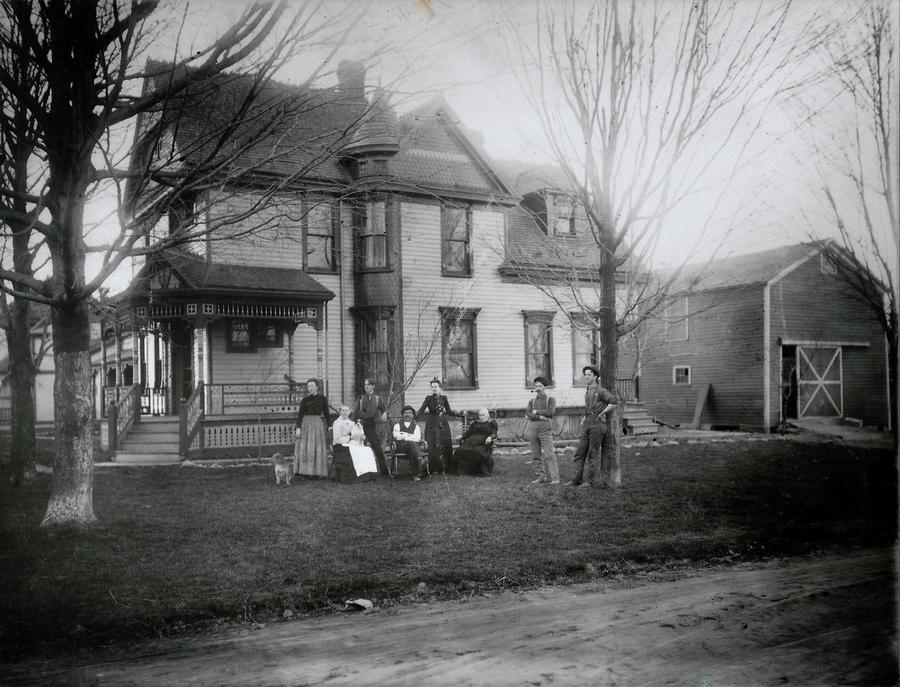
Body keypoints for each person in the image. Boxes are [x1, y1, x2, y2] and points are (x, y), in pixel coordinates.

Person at [566, 365, 618, 488]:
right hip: (588, 423)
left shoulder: (600, 390)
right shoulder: (588, 390)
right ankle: (575, 479)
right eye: (585, 374)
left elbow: (614, 401)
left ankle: (589, 481)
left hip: (598, 424)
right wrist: (585, 417)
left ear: (595, 376)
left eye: (589, 374)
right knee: (580, 452)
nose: (586, 376)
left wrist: (603, 413)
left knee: (592, 452)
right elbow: (589, 407)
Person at [416, 378, 458, 473]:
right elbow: (421, 410)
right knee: (432, 444)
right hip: (432, 423)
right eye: (432, 387)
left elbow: (449, 411)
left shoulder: (444, 398)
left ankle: (446, 468)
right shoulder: (428, 398)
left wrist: (459, 413)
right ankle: (434, 468)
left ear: (440, 388)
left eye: (436, 387)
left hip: (443, 423)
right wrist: (413, 418)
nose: (434, 389)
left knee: (445, 443)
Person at [294, 378, 331, 478]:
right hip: (305, 425)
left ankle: (317, 472)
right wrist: (298, 428)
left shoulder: (322, 398)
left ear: (317, 387)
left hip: (317, 424)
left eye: (311, 386)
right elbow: (300, 415)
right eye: (308, 386)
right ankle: (306, 472)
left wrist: (329, 426)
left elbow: (327, 414)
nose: (309, 388)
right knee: (306, 447)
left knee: (317, 447)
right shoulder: (305, 400)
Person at [526, 376, 559, 484]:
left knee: (549, 455)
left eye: (540, 386)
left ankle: (555, 478)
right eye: (536, 386)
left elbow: (550, 413)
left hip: (545, 431)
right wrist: (540, 416)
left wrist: (535, 412)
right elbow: (527, 413)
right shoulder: (532, 401)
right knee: (536, 455)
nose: (538, 388)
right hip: (533, 430)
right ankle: (541, 477)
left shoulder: (550, 400)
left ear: (545, 387)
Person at [352, 378, 389, 476]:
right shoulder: (360, 399)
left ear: (373, 386)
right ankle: (358, 472)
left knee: (377, 447)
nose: (366, 387)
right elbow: (354, 414)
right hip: (361, 425)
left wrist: (385, 413)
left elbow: (384, 409)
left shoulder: (377, 399)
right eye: (365, 385)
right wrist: (353, 426)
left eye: (368, 385)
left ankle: (384, 471)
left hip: (371, 425)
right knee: (359, 448)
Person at [453, 408, 498, 476]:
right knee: (460, 451)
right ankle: (462, 471)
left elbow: (494, 433)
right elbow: (468, 433)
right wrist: (461, 436)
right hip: (470, 442)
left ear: (488, 416)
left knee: (477, 452)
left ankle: (478, 471)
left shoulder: (491, 424)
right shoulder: (475, 423)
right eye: (480, 415)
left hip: (483, 443)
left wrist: (490, 437)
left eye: (483, 415)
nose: (481, 417)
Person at [392, 405, 425, 481]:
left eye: (410, 413)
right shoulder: (397, 425)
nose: (407, 414)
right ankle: (420, 459)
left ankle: (416, 471)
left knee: (412, 448)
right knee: (412, 444)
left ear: (413, 415)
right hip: (401, 447)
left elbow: (417, 438)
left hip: (412, 448)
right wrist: (410, 436)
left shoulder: (416, 426)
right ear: (402, 415)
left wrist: (404, 435)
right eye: (405, 413)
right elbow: (396, 436)